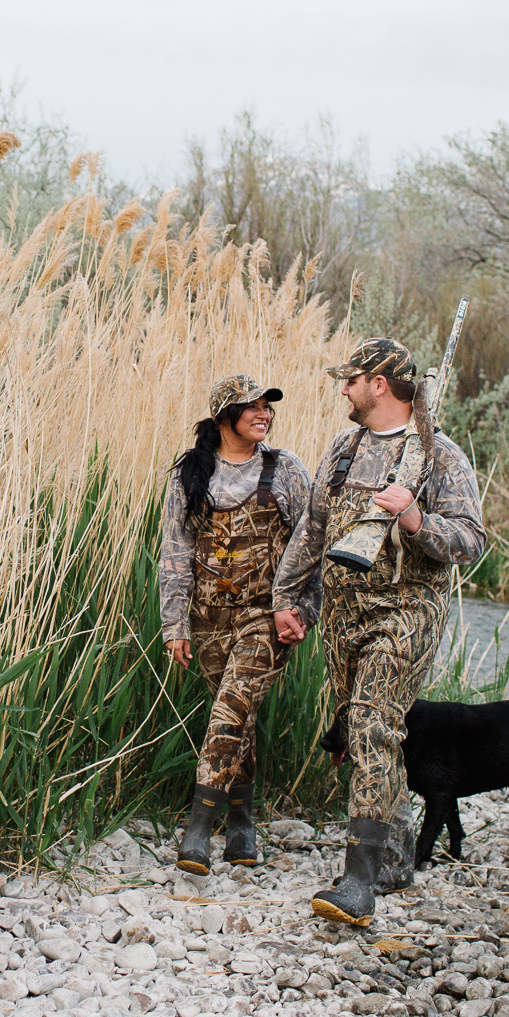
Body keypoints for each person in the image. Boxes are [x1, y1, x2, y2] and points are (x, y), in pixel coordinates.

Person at [272, 337, 487, 927]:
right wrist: (290, 601)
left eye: (351, 379)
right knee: (368, 734)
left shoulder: (440, 455)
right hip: (342, 616)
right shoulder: (344, 449)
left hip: (406, 610)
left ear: (380, 383)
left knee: (371, 721)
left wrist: (416, 519)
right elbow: (312, 533)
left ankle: (358, 881)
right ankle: (391, 858)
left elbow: (472, 540)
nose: (343, 388)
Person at [159, 373, 317, 875]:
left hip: (264, 618)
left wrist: (304, 612)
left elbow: (312, 545)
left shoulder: (285, 469)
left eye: (267, 406)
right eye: (251, 407)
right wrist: (174, 624)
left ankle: (199, 830)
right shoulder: (191, 472)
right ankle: (243, 819)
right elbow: (175, 552)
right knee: (239, 718)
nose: (263, 413)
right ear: (224, 415)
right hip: (207, 620)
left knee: (230, 710)